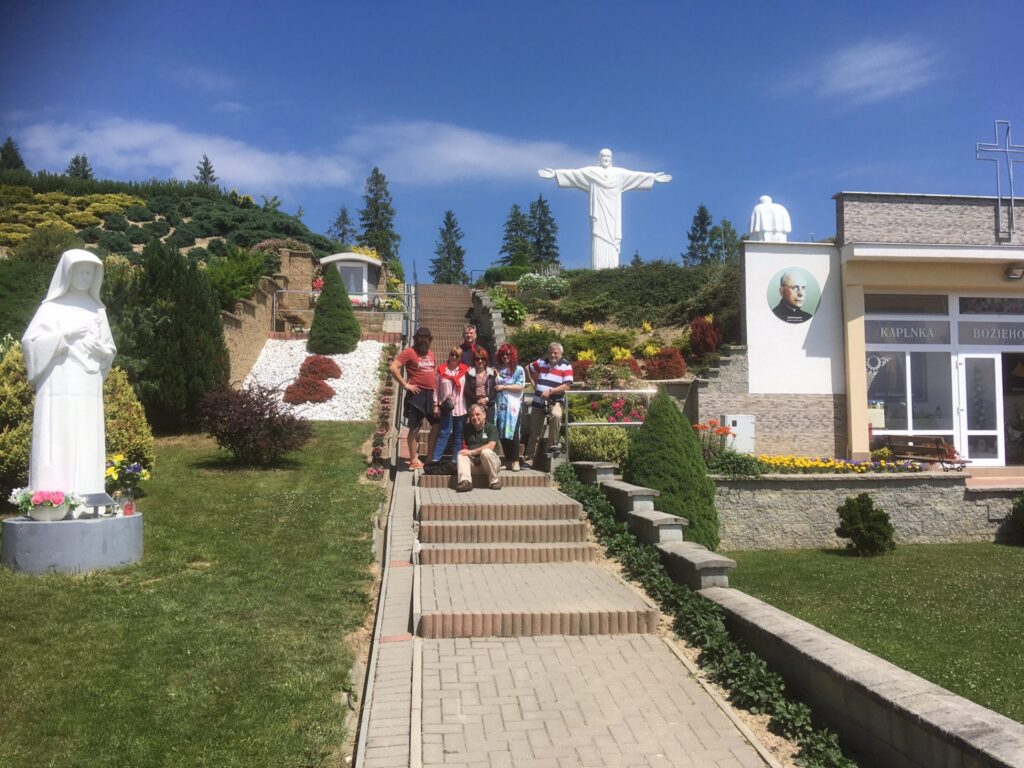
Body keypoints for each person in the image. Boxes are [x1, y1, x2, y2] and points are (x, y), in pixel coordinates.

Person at [22, 249, 116, 499]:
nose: (85, 278)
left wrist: (101, 351)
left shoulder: (97, 310)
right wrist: (65, 336)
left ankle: (89, 489)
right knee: (58, 432)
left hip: (88, 383)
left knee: (86, 433)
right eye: (80, 272)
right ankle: (53, 497)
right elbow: (31, 343)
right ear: (67, 274)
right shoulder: (51, 308)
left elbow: (109, 348)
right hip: (58, 381)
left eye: (90, 274)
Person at [538, 149, 671, 270]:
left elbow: (636, 176)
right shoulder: (592, 172)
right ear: (599, 158)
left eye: (608, 156)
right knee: (598, 236)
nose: (606, 158)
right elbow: (575, 174)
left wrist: (653, 177)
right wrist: (556, 174)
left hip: (613, 214)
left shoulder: (619, 174)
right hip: (599, 214)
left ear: (611, 158)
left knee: (612, 239)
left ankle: (612, 270)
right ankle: (598, 270)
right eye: (603, 156)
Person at [389, 327, 439, 469]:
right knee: (415, 427)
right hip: (416, 395)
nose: (423, 340)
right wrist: (405, 384)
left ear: (430, 339)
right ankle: (414, 460)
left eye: (426, 337)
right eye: (421, 337)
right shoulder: (409, 352)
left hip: (431, 394)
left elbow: (434, 371)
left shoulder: (431, 353)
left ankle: (430, 456)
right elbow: (393, 367)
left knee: (437, 424)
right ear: (416, 338)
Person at [525, 342, 573, 462]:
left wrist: (551, 391)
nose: (552, 355)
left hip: (555, 400)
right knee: (534, 432)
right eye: (551, 352)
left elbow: (567, 386)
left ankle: (553, 444)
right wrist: (532, 381)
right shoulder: (541, 362)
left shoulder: (566, 365)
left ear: (561, 353)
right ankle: (529, 458)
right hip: (538, 401)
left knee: (556, 415)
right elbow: (527, 368)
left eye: (555, 353)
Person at [430, 347, 469, 464]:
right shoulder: (441, 370)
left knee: (458, 434)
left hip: (461, 407)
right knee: (444, 433)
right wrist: (435, 404)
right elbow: (436, 389)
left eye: (457, 355)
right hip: (446, 407)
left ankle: (455, 461)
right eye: (452, 354)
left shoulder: (465, 370)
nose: (454, 357)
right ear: (449, 355)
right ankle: (435, 460)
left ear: (460, 358)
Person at [494, 343, 526, 471]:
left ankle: (516, 460)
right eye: (502, 354)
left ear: (512, 355)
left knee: (513, 432)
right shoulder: (498, 369)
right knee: (502, 432)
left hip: (513, 407)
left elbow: (520, 386)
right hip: (500, 405)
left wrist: (504, 387)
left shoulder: (519, 369)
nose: (505, 356)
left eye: (507, 354)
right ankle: (508, 460)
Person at [456, 404, 502, 491]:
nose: (475, 417)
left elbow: (491, 446)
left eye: (477, 414)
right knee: (461, 454)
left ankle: (494, 481)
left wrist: (471, 452)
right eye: (472, 415)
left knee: (486, 452)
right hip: (475, 464)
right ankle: (465, 482)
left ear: (484, 415)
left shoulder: (491, 428)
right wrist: (466, 452)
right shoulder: (467, 428)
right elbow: (464, 446)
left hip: (491, 464)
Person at [464, 347, 496, 422]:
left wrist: (486, 399)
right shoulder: (469, 374)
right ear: (474, 360)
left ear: (486, 360)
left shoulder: (492, 373)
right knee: (475, 425)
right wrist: (477, 400)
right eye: (477, 359)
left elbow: (494, 389)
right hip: (474, 404)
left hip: (488, 405)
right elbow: (467, 391)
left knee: (488, 426)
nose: (480, 361)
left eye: (483, 358)